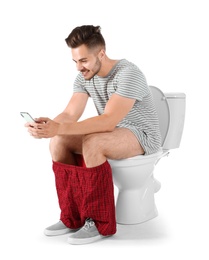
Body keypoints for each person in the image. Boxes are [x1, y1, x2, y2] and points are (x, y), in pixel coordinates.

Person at [25, 25, 161, 245]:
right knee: (59, 141)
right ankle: (73, 216)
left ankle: (99, 223)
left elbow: (108, 121)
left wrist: (58, 127)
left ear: (101, 53)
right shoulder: (85, 76)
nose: (79, 67)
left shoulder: (129, 74)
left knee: (93, 142)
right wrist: (50, 126)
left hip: (141, 134)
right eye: (75, 61)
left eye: (84, 60)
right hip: (115, 132)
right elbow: (70, 113)